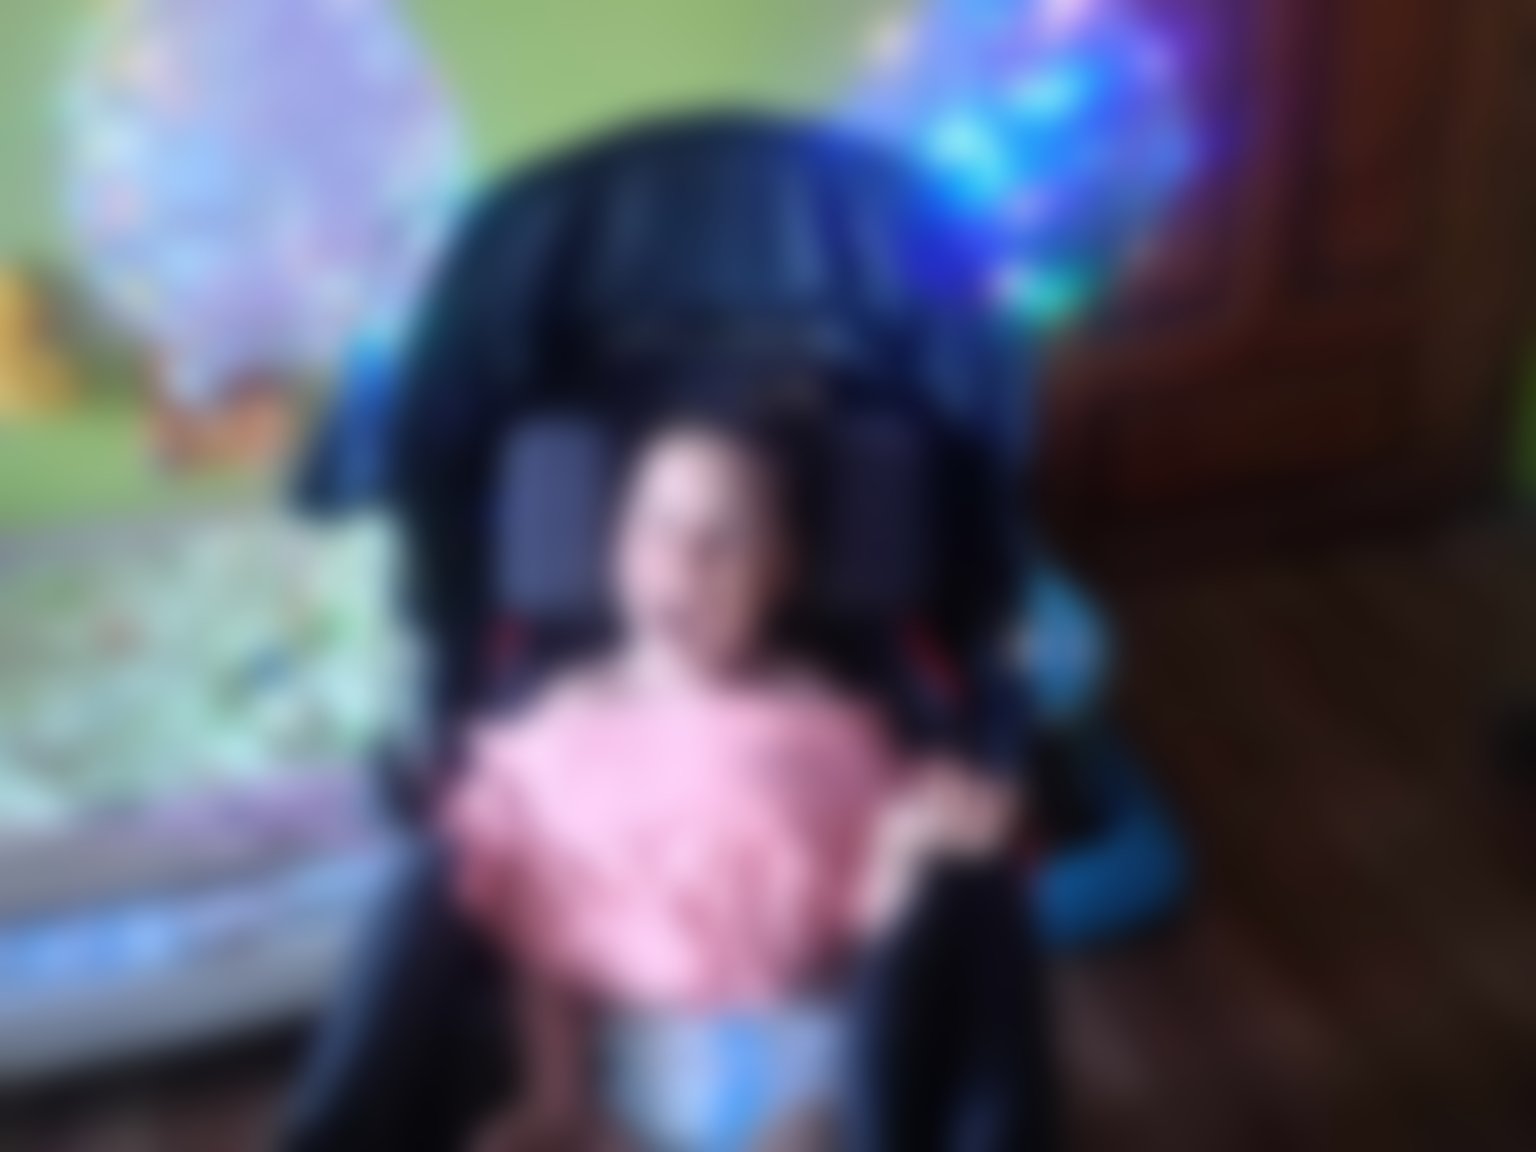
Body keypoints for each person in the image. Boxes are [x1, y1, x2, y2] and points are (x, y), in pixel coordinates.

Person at [281, 411, 1057, 1152]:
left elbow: (869, 941)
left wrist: (913, 843)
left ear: (783, 569)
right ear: (615, 549)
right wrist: (556, 1097)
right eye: (657, 523)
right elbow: (538, 922)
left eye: (727, 535)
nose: (686, 558)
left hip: (807, 1063)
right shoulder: (566, 720)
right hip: (627, 1069)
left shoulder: (827, 722)